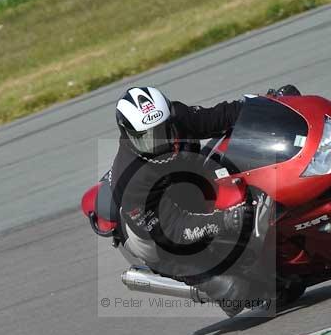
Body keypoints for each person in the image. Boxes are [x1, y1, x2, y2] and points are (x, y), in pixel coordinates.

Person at [109, 85, 300, 316]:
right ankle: (215, 283)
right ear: (129, 135)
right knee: (238, 292)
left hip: (188, 183)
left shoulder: (178, 118)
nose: (159, 141)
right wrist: (224, 221)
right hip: (157, 237)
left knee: (240, 164)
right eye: (148, 137)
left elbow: (219, 116)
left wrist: (269, 107)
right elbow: (173, 230)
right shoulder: (130, 179)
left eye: (162, 131)